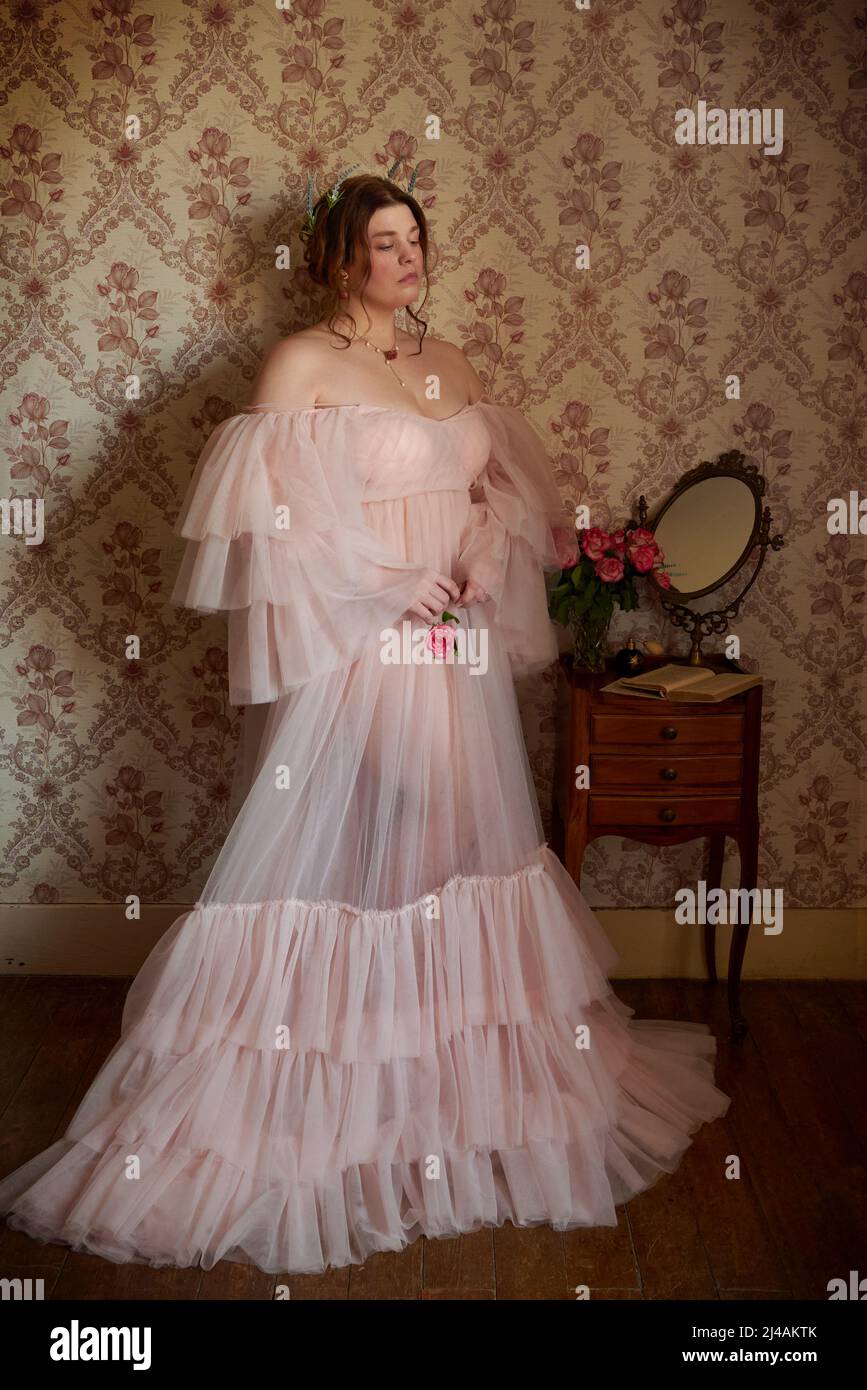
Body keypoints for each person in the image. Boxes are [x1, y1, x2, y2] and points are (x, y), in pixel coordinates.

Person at [0, 172, 730, 1274]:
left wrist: (480, 557)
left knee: (451, 851)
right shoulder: (303, 365)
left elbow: (494, 499)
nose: (406, 258)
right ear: (339, 260)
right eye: (383, 244)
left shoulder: (451, 366)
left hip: (452, 649)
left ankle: (425, 1090)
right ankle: (318, 1095)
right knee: (397, 843)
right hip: (360, 646)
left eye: (414, 239)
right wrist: (387, 581)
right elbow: (268, 520)